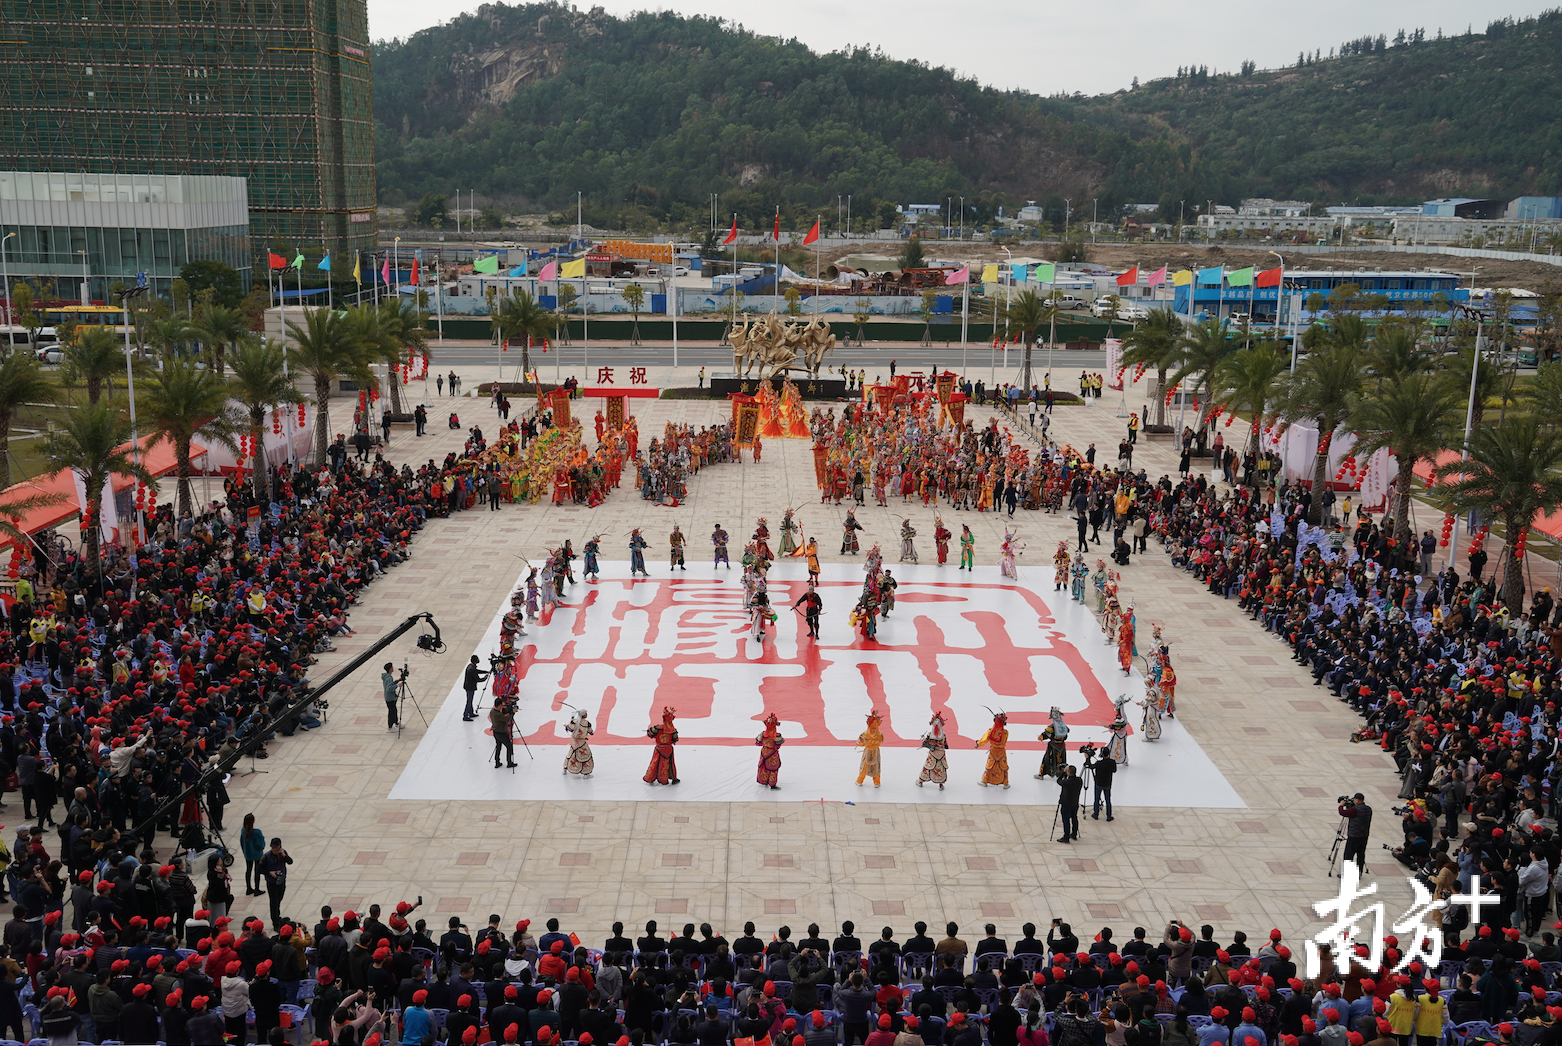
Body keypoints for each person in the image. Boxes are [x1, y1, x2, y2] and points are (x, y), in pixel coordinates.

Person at [258, 837, 293, 930]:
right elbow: (259, 869)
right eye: (272, 847)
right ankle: (275, 922)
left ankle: (277, 916)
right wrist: (269, 872)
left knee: (279, 899)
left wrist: (284, 855)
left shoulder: (283, 853)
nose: (274, 849)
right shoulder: (266, 856)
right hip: (271, 882)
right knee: (274, 903)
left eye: (276, 848)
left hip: (281, 881)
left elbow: (290, 862)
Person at [644, 707, 679, 786]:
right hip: (668, 749)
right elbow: (675, 738)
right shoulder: (673, 730)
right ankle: (667, 778)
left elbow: (651, 733)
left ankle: (650, 777)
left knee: (655, 762)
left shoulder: (657, 728)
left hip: (659, 748)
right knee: (667, 764)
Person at [1338, 794, 1371, 873]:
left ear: (1357, 800)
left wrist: (1341, 805)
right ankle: (1359, 872)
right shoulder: (1368, 809)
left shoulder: (1354, 810)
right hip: (1364, 835)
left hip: (1354, 835)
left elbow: (1342, 812)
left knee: (1348, 855)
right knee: (1361, 854)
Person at [240, 814, 267, 897]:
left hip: (248, 854)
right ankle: (257, 889)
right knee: (257, 871)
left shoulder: (243, 831)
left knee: (248, 870)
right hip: (257, 855)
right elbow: (261, 844)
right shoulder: (257, 832)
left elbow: (241, 842)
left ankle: (248, 888)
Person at [755, 713, 784, 790]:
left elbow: (758, 743)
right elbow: (778, 745)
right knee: (773, 769)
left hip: (764, 753)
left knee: (764, 768)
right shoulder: (777, 736)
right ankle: (772, 784)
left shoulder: (763, 734)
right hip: (773, 754)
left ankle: (765, 781)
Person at [856, 709, 884, 788]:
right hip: (876, 751)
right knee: (876, 766)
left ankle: (859, 781)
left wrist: (862, 743)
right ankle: (877, 782)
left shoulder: (865, 734)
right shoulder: (880, 734)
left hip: (868, 751)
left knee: (864, 766)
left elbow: (860, 743)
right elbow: (881, 740)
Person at [1058, 765, 1084, 843]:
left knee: (1066, 821)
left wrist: (1063, 773)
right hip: (1075, 803)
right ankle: (1074, 834)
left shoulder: (1066, 782)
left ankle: (1066, 837)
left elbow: (1059, 781)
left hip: (1066, 804)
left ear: (1068, 772)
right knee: (1074, 818)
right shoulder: (1079, 780)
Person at [490, 696, 517, 770]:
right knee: (509, 747)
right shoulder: (498, 715)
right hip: (502, 733)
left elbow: (501, 714)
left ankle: (497, 762)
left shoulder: (492, 711)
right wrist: (512, 713)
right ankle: (509, 762)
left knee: (498, 747)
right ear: (499, 705)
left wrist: (507, 711)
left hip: (496, 732)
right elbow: (507, 719)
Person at [462, 656, 489, 723]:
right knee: (469, 701)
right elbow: (477, 679)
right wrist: (485, 678)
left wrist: (485, 672)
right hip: (470, 687)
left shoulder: (470, 666)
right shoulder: (472, 669)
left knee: (470, 700)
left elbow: (477, 671)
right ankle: (465, 715)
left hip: (468, 686)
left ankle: (471, 713)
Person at [1091, 750, 1116, 822]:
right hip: (1107, 783)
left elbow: (1091, 767)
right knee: (1108, 800)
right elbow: (1114, 770)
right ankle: (1109, 816)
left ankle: (1096, 814)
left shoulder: (1099, 763)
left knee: (1096, 799)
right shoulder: (1112, 762)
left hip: (1098, 783)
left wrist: (1087, 758)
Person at [382, 663, 399, 731]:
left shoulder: (387, 677)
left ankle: (396, 723)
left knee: (394, 710)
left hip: (390, 697)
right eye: (392, 667)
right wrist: (398, 685)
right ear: (390, 669)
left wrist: (397, 681)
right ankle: (390, 727)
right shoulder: (388, 678)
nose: (393, 668)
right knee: (391, 712)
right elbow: (389, 688)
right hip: (390, 698)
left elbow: (390, 684)